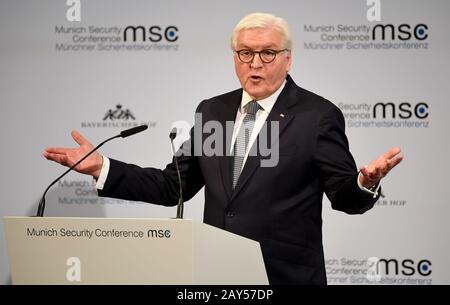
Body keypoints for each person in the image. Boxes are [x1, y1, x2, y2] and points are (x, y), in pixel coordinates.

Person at [44, 12, 403, 285]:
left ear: (288, 59)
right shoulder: (212, 110)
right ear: (235, 57)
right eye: (245, 53)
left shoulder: (317, 115)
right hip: (216, 277)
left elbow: (344, 196)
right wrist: (101, 166)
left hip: (285, 277)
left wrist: (364, 182)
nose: (255, 63)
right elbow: (174, 186)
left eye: (268, 53)